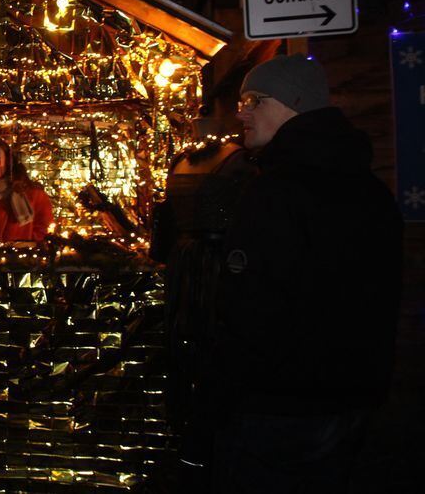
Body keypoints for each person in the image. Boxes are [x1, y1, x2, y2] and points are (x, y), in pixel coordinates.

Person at [208, 54, 403, 493]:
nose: (241, 112)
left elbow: (250, 306)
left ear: (292, 102)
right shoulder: (368, 188)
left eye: (253, 100)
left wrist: (226, 391)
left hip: (279, 407)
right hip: (349, 401)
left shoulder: (276, 191)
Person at [150, 79, 257, 491]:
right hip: (199, 271)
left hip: (203, 271)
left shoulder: (232, 163)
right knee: (197, 356)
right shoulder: (230, 162)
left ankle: (202, 450)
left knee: (206, 356)